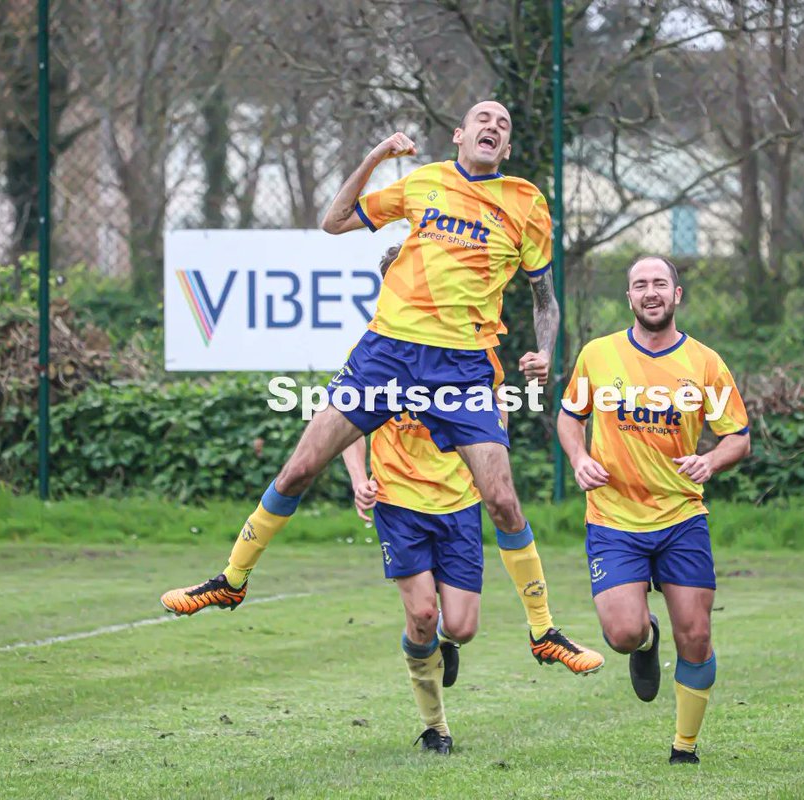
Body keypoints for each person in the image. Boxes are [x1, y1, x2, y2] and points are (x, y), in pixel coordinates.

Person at [161, 100, 603, 681]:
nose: (492, 127)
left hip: (463, 367)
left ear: (509, 147)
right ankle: (231, 580)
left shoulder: (525, 203)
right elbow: (334, 220)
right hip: (388, 352)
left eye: (504, 124)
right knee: (298, 469)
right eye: (483, 120)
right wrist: (376, 156)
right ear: (459, 135)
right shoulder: (423, 182)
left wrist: (545, 351)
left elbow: (544, 301)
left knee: (502, 499)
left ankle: (544, 631)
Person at [339, 247, 602, 755]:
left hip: (459, 502)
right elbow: (346, 417)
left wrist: (492, 444)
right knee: (420, 616)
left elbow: (496, 407)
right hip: (399, 500)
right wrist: (359, 476)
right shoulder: (376, 351)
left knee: (459, 625)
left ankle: (445, 641)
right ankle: (434, 725)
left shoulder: (471, 349)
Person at [557, 255, 751, 765]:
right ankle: (645, 645)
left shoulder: (705, 363)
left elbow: (738, 436)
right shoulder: (598, 354)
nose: (650, 292)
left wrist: (710, 460)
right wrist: (579, 458)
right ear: (628, 298)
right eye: (640, 285)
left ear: (677, 294)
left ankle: (684, 748)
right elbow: (569, 416)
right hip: (613, 518)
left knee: (698, 634)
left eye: (659, 284)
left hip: (681, 518)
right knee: (623, 633)